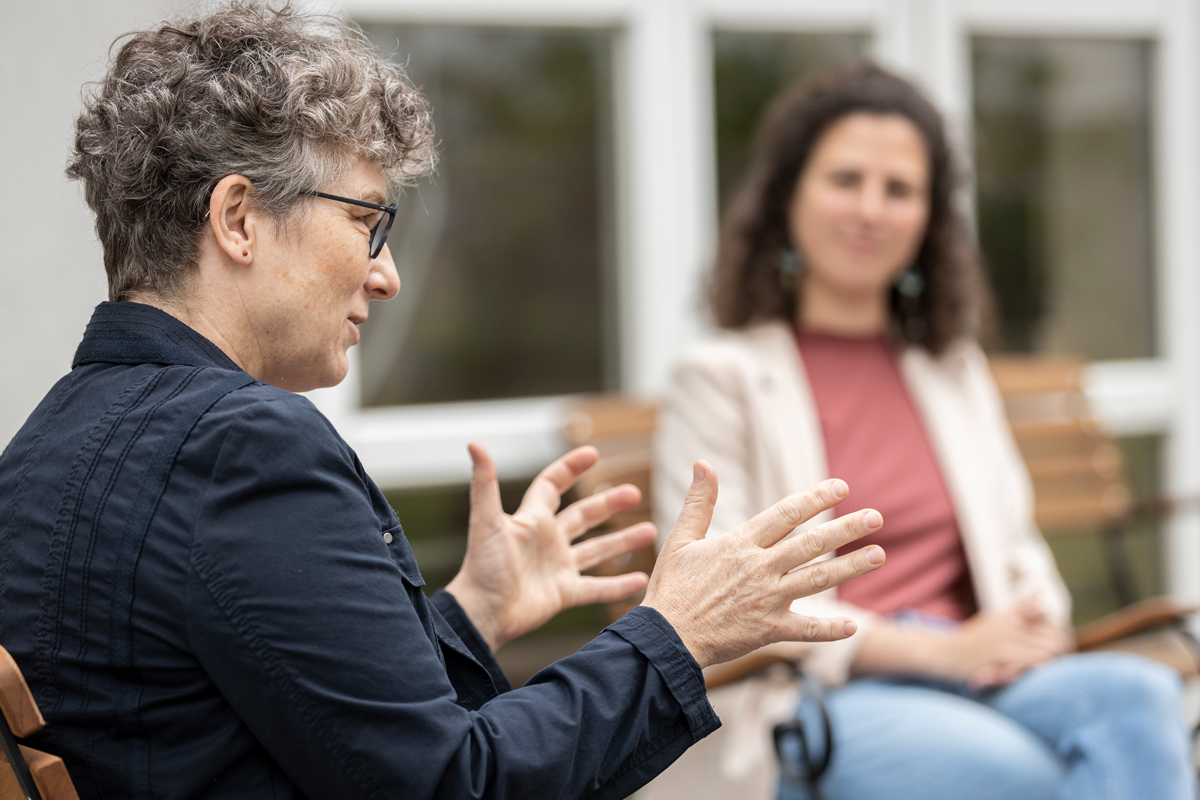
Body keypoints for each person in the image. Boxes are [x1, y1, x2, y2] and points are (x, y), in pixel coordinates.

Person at [0, 6, 888, 799]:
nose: (384, 276)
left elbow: (255, 712)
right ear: (238, 219)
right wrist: (678, 633)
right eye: (365, 221)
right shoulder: (243, 450)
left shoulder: (38, 451)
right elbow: (457, 785)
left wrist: (474, 611)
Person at [650, 63, 1195, 800]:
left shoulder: (951, 368)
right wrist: (939, 654)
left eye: (900, 189)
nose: (871, 210)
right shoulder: (719, 377)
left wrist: (1030, 627)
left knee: (1142, 697)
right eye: (846, 179)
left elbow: (1016, 542)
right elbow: (726, 595)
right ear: (788, 199)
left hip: (982, 667)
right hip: (821, 688)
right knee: (1030, 774)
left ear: (928, 218)